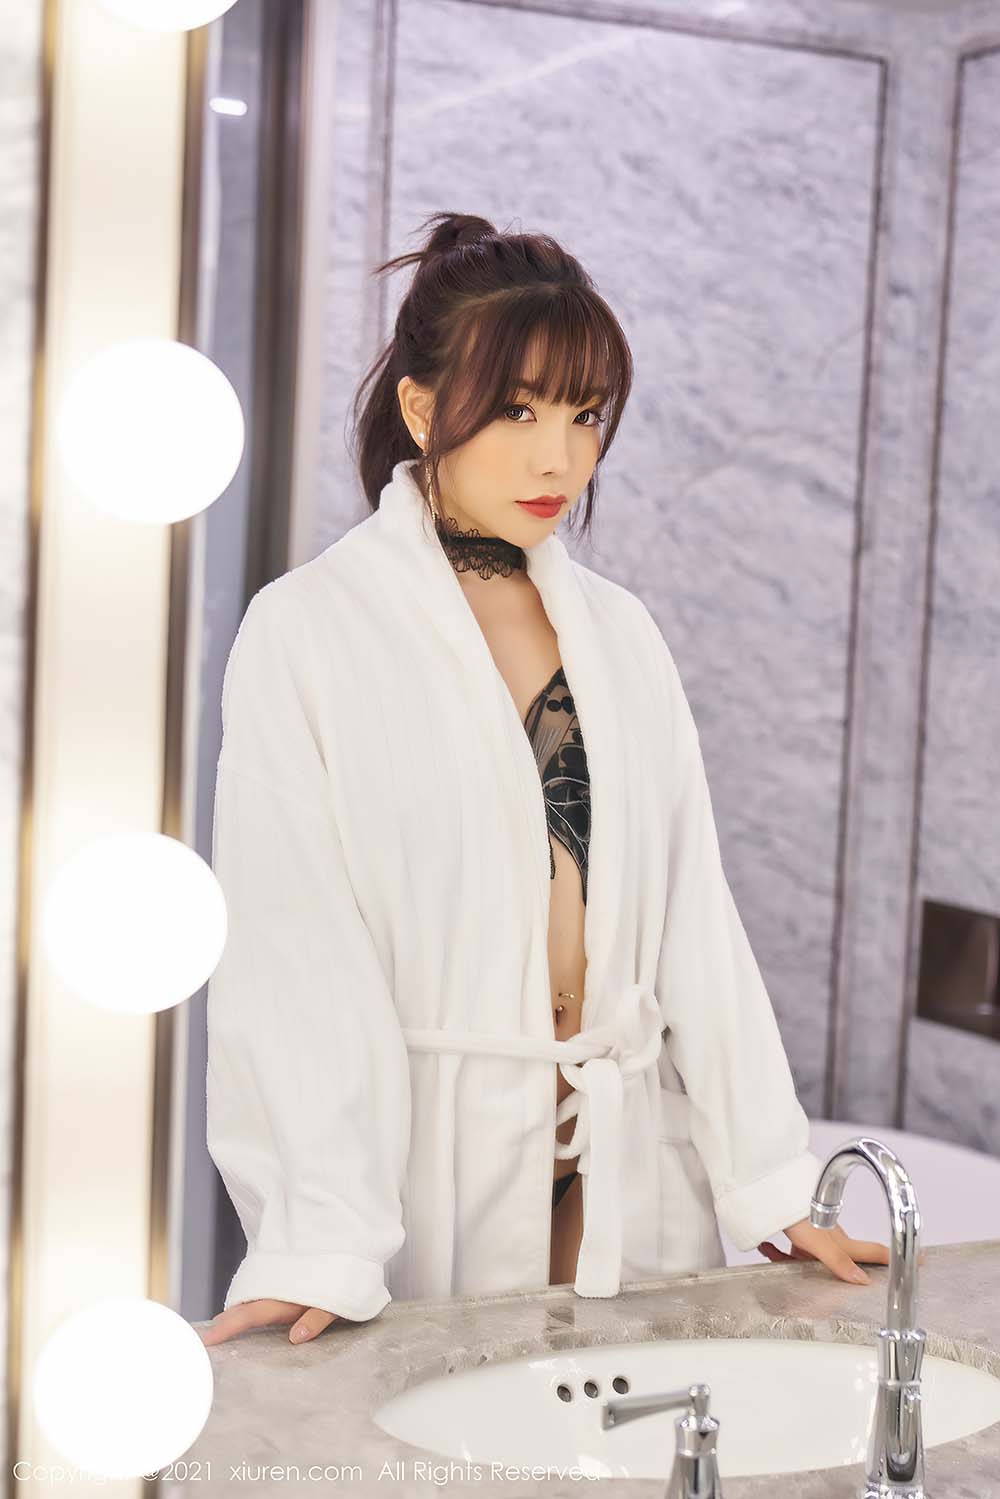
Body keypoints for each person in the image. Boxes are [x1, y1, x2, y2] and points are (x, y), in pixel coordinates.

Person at [198, 212, 894, 1349]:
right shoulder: (310, 632)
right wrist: (319, 1232)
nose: (557, 459)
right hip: (437, 1175)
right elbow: (296, 954)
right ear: (421, 407)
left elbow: (694, 918)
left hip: (631, 1174)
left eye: (584, 415)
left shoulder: (621, 633)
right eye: (517, 410)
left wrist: (770, 1177)